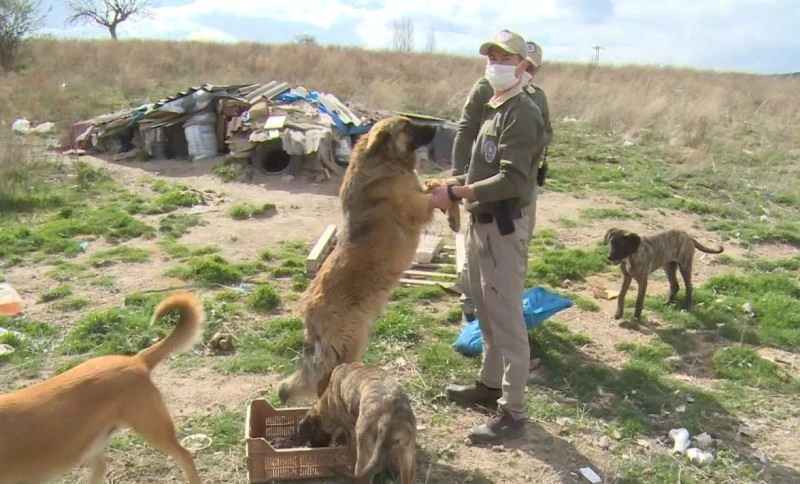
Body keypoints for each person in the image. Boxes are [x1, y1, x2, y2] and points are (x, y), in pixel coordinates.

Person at [429, 29, 545, 444]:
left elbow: (512, 179)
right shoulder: (497, 104)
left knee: (508, 322)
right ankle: (490, 385)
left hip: (502, 227)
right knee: (487, 313)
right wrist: (454, 184)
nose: (495, 62)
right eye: (491, 55)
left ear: (522, 64)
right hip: (482, 222)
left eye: (504, 56)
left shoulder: (522, 111)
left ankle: (513, 413)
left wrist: (456, 192)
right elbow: (482, 167)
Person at [452, 39, 554, 323]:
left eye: (532, 68)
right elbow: (465, 131)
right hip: (483, 187)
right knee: (475, 247)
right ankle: (472, 305)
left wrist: (523, 143)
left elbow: (547, 133)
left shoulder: (535, 98)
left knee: (515, 244)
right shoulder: (486, 89)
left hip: (520, 188)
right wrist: (459, 178)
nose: (527, 72)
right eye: (495, 59)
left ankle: (506, 306)